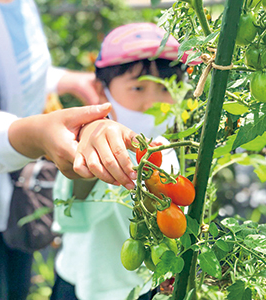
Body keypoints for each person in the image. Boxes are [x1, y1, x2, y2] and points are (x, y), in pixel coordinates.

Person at [0, 0, 138, 299]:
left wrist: (66, 80)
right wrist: (34, 134)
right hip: (11, 157)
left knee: (16, 279)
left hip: (15, 182)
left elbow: (23, 68)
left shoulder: (21, 5)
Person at [51, 22, 185, 300]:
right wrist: (91, 152)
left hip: (146, 285)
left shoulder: (174, 149)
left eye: (167, 88)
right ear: (102, 92)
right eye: (138, 89)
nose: (154, 102)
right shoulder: (89, 143)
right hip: (81, 282)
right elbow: (70, 209)